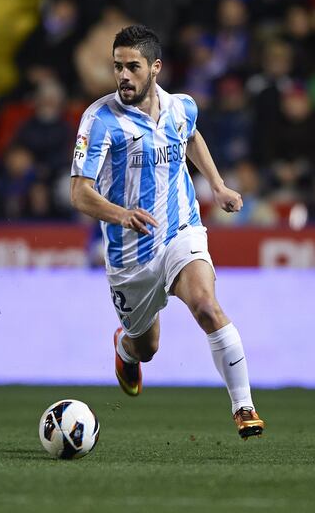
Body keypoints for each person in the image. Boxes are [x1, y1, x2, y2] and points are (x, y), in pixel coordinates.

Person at [70, 25, 264, 440]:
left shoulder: (182, 107)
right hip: (130, 255)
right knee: (148, 348)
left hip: (180, 230)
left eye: (132, 67)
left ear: (154, 68)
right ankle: (125, 347)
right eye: (118, 66)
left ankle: (243, 405)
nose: (123, 75)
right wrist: (121, 214)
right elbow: (80, 195)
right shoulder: (99, 120)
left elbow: (190, 135)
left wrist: (217, 184)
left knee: (207, 306)